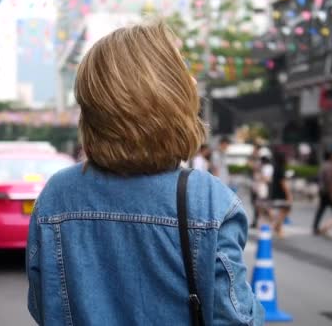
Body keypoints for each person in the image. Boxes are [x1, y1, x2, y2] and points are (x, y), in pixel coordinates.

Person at [26, 21, 264, 325]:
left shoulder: (57, 196)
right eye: (181, 72)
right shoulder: (208, 201)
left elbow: (43, 305)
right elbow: (236, 319)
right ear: (167, 98)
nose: (192, 81)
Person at [269, 151, 293, 237]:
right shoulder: (281, 169)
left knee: (283, 210)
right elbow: (283, 183)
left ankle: (279, 229)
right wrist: (289, 194)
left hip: (275, 192)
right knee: (285, 209)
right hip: (281, 194)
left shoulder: (275, 167)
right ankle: (275, 227)